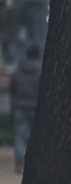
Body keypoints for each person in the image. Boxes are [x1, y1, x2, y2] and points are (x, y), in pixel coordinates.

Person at [9, 45, 42, 173]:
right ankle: (36, 164)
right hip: (35, 108)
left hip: (20, 108)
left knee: (20, 138)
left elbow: (11, 90)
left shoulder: (17, 71)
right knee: (38, 137)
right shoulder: (40, 71)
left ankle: (19, 165)